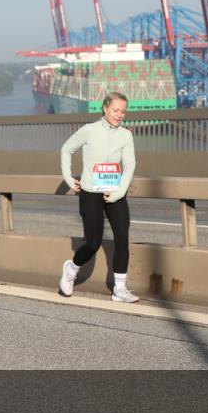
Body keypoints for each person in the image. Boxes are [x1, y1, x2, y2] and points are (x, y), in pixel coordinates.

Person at [59, 92, 139, 303]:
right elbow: (66, 149)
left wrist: (119, 192)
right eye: (116, 110)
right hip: (90, 193)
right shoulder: (89, 130)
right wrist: (68, 178)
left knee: (122, 238)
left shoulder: (126, 135)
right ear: (105, 108)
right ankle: (71, 269)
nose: (119, 114)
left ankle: (119, 289)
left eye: (123, 111)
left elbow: (129, 165)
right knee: (93, 243)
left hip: (115, 193)